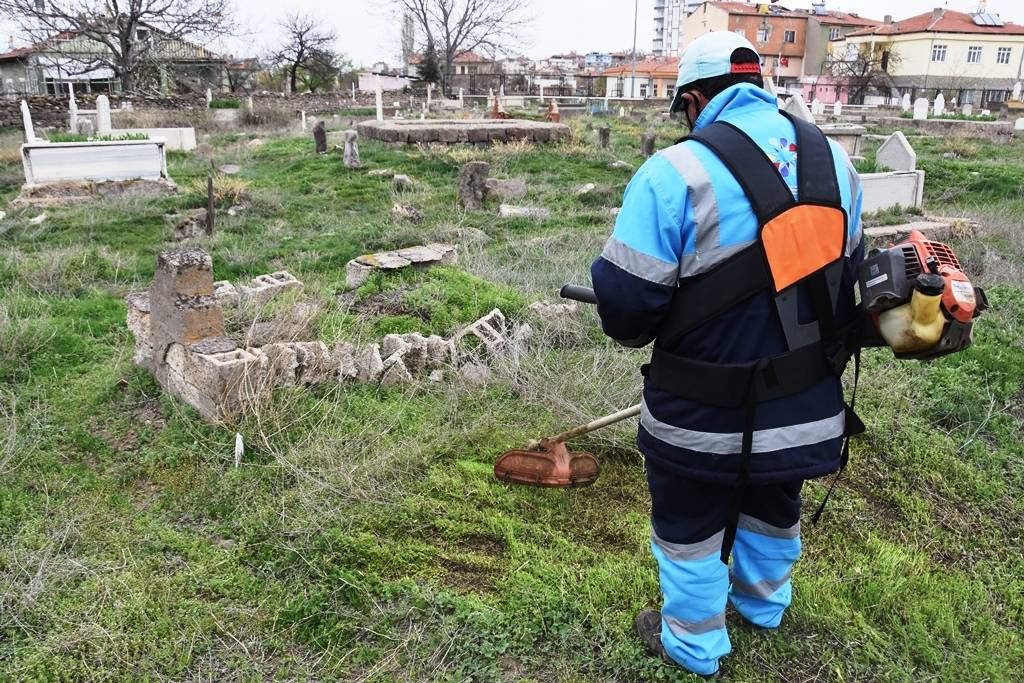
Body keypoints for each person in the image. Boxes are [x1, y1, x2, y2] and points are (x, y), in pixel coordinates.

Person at [590, 32, 864, 678]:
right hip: (805, 408)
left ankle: (693, 642)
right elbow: (841, 279)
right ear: (758, 85)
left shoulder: (673, 173)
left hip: (700, 417)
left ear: (693, 100)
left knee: (689, 521)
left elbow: (628, 309)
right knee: (775, 499)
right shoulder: (838, 164)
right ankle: (764, 605)